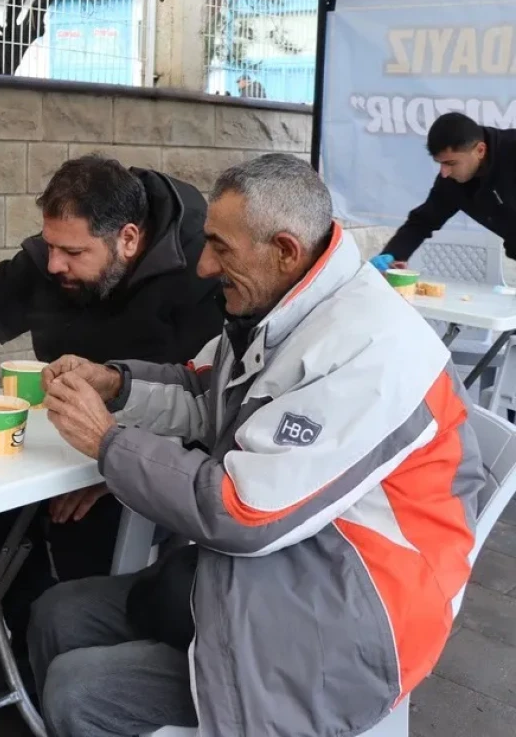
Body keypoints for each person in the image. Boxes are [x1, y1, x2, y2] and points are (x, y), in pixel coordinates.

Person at [33, 154, 483, 737]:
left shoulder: (371, 347)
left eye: (220, 247)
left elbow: (243, 510)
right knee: (56, 613)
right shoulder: (285, 303)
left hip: (350, 614)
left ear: (286, 250)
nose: (202, 265)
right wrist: (116, 386)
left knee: (80, 691)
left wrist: (107, 442)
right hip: (275, 565)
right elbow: (203, 392)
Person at [0, 154, 222, 700]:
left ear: (128, 240)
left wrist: (114, 469)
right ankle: (25, 653)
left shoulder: (202, 274)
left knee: (84, 527)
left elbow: (205, 404)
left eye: (73, 252)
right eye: (50, 245)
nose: (54, 263)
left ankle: (89, 672)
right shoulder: (56, 259)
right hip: (58, 435)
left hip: (155, 457)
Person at [371, 111, 516, 271]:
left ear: (480, 150)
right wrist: (393, 254)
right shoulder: (451, 182)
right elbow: (422, 222)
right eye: (440, 163)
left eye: (451, 163)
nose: (444, 172)